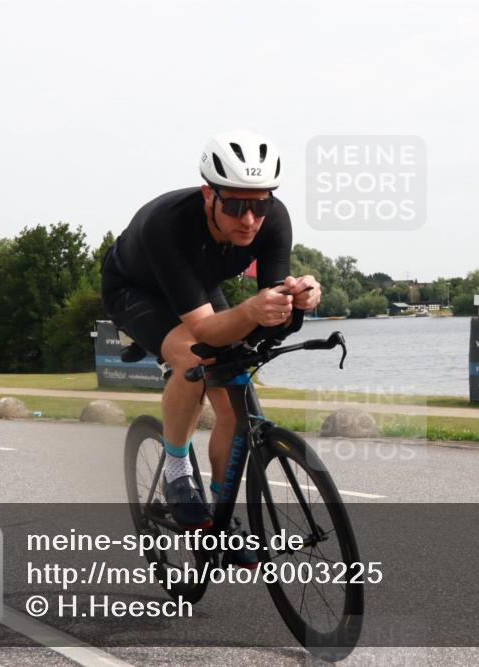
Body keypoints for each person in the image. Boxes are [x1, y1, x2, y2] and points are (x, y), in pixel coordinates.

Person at [101, 131, 321, 567]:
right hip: (135, 289)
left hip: (198, 287)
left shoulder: (274, 220)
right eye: (237, 205)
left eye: (260, 204)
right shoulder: (170, 222)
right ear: (209, 195)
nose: (250, 219)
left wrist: (300, 300)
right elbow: (204, 330)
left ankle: (218, 521)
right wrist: (254, 311)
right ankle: (178, 471)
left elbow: (271, 308)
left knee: (235, 397)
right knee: (196, 355)